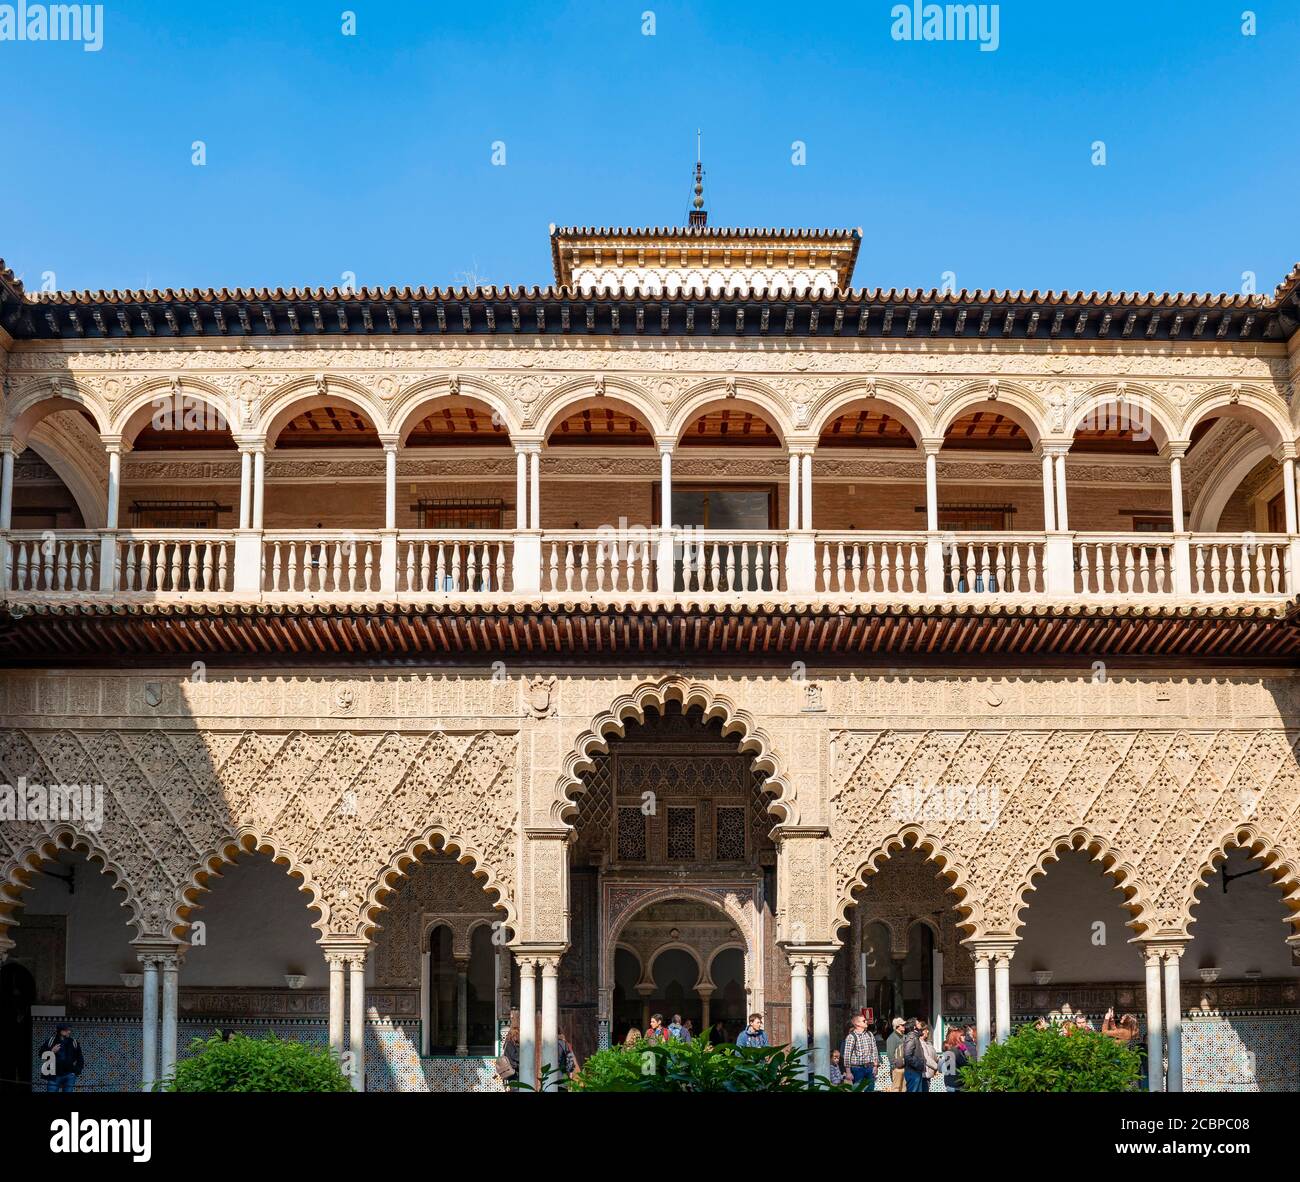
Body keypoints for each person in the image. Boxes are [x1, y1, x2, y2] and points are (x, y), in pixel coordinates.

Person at [40, 1024, 84, 1093]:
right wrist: (51, 1051)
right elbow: (41, 1054)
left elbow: (80, 1059)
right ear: (61, 1031)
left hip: (69, 1076)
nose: (69, 1032)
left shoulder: (73, 1042)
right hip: (53, 1076)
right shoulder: (51, 1041)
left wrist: (75, 1072)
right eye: (67, 1030)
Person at [841, 1013, 879, 1089]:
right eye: (864, 1021)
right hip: (857, 1069)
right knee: (859, 1089)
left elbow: (874, 1050)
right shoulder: (851, 1037)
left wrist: (875, 1066)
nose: (866, 1022)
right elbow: (847, 1056)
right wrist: (848, 1072)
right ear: (857, 1024)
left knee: (870, 1089)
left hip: (869, 1067)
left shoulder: (869, 1034)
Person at [901, 1020, 928, 1093]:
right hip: (913, 1072)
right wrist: (917, 1064)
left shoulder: (915, 1037)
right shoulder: (911, 1038)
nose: (920, 1024)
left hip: (916, 1071)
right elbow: (907, 1055)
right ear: (914, 1027)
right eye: (918, 1023)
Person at [885, 1016, 907, 1091]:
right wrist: (894, 1066)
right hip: (897, 1068)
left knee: (904, 1089)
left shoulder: (904, 1037)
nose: (904, 1026)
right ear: (897, 1026)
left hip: (905, 1067)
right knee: (896, 1089)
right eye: (902, 1025)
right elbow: (890, 1054)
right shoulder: (892, 1038)